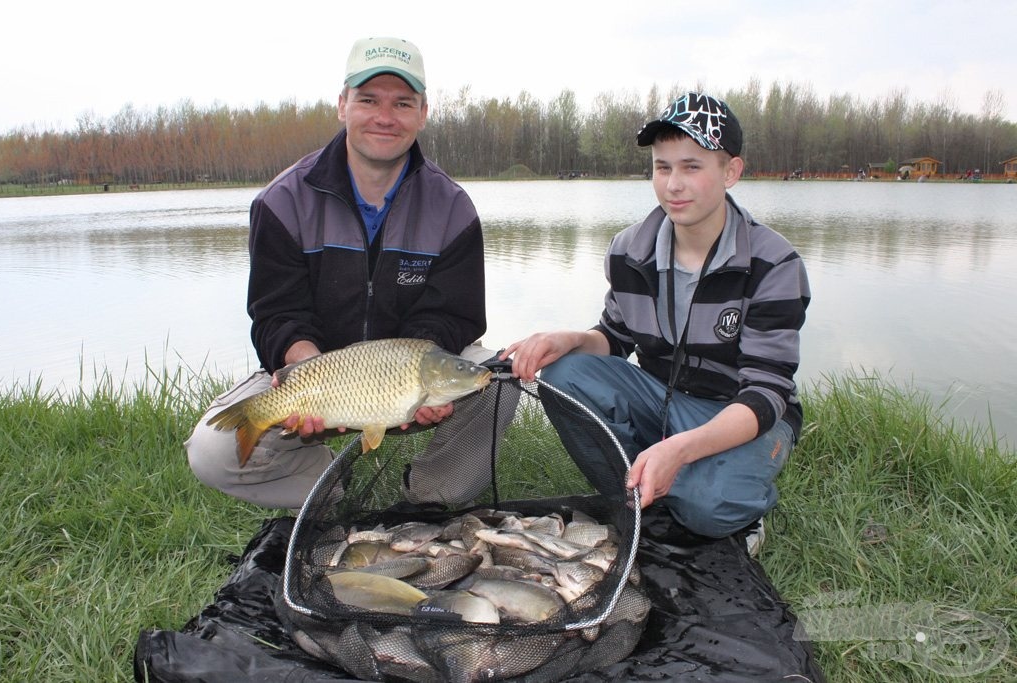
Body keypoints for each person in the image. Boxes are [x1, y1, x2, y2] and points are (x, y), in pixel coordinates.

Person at [186, 36, 511, 510]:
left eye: (402, 103)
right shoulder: (282, 202)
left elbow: (456, 315)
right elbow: (276, 314)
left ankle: (427, 502)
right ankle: (334, 498)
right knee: (211, 453)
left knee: (496, 379)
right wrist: (303, 368)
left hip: (411, 369)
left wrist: (414, 373)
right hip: (314, 370)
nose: (385, 116)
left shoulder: (452, 208)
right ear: (342, 105)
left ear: (422, 113)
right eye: (368, 100)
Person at [503, 92, 810, 548]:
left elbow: (766, 394)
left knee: (709, 507)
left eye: (692, 167)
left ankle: (735, 502)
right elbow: (614, 337)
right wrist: (567, 339)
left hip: (740, 412)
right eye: (662, 168)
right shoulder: (630, 249)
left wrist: (680, 449)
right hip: (661, 398)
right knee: (564, 372)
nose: (673, 185)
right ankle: (635, 491)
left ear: (731, 172)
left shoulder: (775, 264)